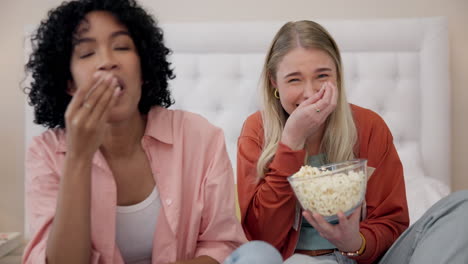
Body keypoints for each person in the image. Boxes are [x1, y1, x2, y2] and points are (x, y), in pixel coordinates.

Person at [22, 0, 252, 263]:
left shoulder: (199, 137)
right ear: (69, 83)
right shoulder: (45, 153)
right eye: (87, 53)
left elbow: (222, 246)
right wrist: (78, 157)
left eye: (121, 47)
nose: (107, 62)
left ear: (143, 69)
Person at [236, 20, 409, 264]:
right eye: (294, 80)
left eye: (322, 76)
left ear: (337, 75)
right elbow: (260, 239)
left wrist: (356, 242)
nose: (310, 93)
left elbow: (393, 226)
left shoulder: (370, 127)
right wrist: (291, 142)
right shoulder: (256, 130)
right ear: (274, 82)